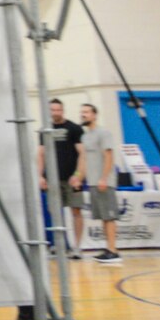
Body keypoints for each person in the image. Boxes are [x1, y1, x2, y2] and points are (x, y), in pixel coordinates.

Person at [37, 98, 85, 262]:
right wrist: (40, 175)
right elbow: (41, 154)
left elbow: (82, 154)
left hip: (71, 179)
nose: (55, 113)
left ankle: (77, 246)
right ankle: (59, 244)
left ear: (62, 111)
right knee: (55, 212)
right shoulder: (45, 130)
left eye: (58, 110)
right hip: (53, 179)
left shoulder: (74, 129)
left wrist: (78, 175)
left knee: (76, 211)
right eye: (52, 110)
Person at [77, 102, 122, 264]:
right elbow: (84, 159)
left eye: (87, 112)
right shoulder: (85, 136)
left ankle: (114, 251)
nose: (83, 115)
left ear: (94, 115)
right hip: (93, 182)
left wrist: (104, 178)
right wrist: (78, 176)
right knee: (103, 216)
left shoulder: (103, 133)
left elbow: (108, 156)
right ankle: (108, 248)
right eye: (82, 112)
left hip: (105, 182)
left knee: (109, 217)